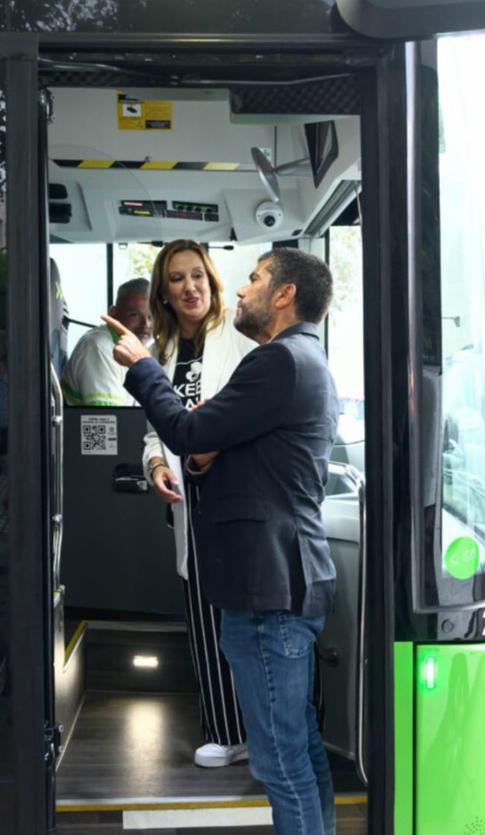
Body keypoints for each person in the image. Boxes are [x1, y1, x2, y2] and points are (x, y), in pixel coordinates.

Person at [105, 247, 339, 835]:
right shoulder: (302, 359)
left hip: (268, 589)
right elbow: (226, 454)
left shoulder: (276, 362)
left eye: (255, 280)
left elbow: (186, 431)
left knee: (280, 761)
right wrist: (204, 458)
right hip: (284, 580)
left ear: (285, 294)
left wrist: (140, 365)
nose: (240, 290)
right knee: (301, 746)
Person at [140, 241, 256, 768]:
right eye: (177, 280)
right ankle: (225, 729)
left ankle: (257, 731)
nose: (190, 288)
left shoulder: (242, 344)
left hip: (232, 499)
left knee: (242, 621)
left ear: (211, 282)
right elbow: (153, 433)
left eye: (197, 277)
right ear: (163, 293)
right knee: (204, 622)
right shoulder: (161, 354)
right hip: (189, 508)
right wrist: (155, 467)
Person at [61, 278, 151, 406]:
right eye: (134, 315)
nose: (146, 324)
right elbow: (111, 419)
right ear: (112, 314)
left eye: (151, 316)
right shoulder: (99, 348)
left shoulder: (138, 350)